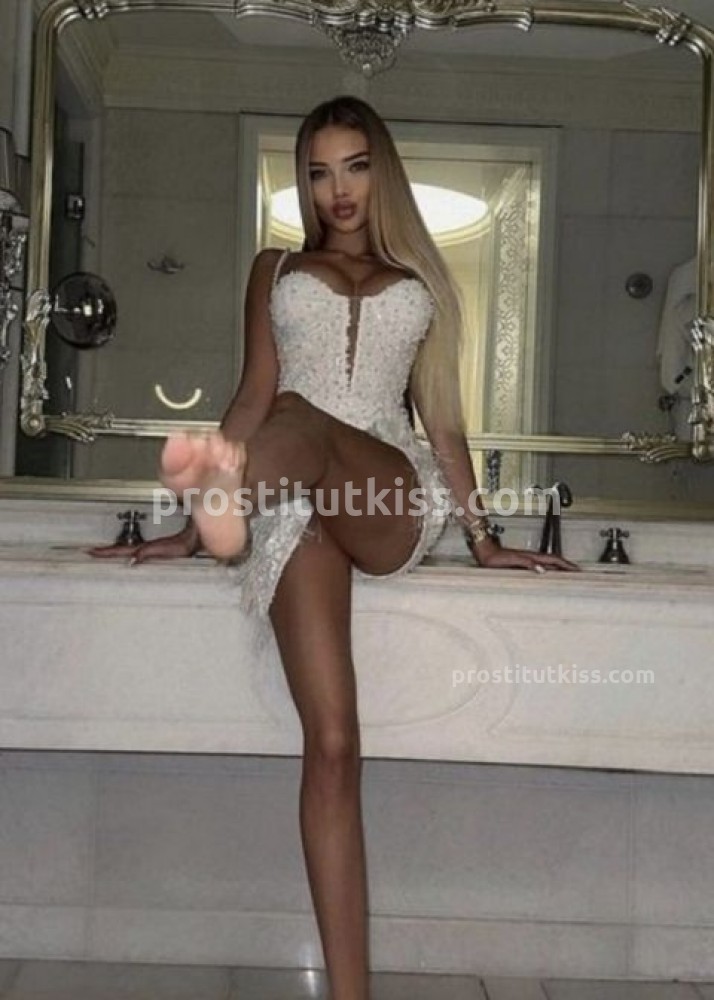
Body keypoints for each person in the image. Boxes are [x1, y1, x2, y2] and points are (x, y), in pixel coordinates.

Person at [91, 95, 576, 1000]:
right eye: (318, 172)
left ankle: (226, 505)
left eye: (354, 166)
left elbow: (443, 425)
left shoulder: (420, 280)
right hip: (296, 504)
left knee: (301, 419)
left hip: (385, 490)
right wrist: (187, 535)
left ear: (379, 170)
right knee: (334, 745)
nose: (337, 189)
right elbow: (249, 396)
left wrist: (485, 540)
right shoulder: (275, 268)